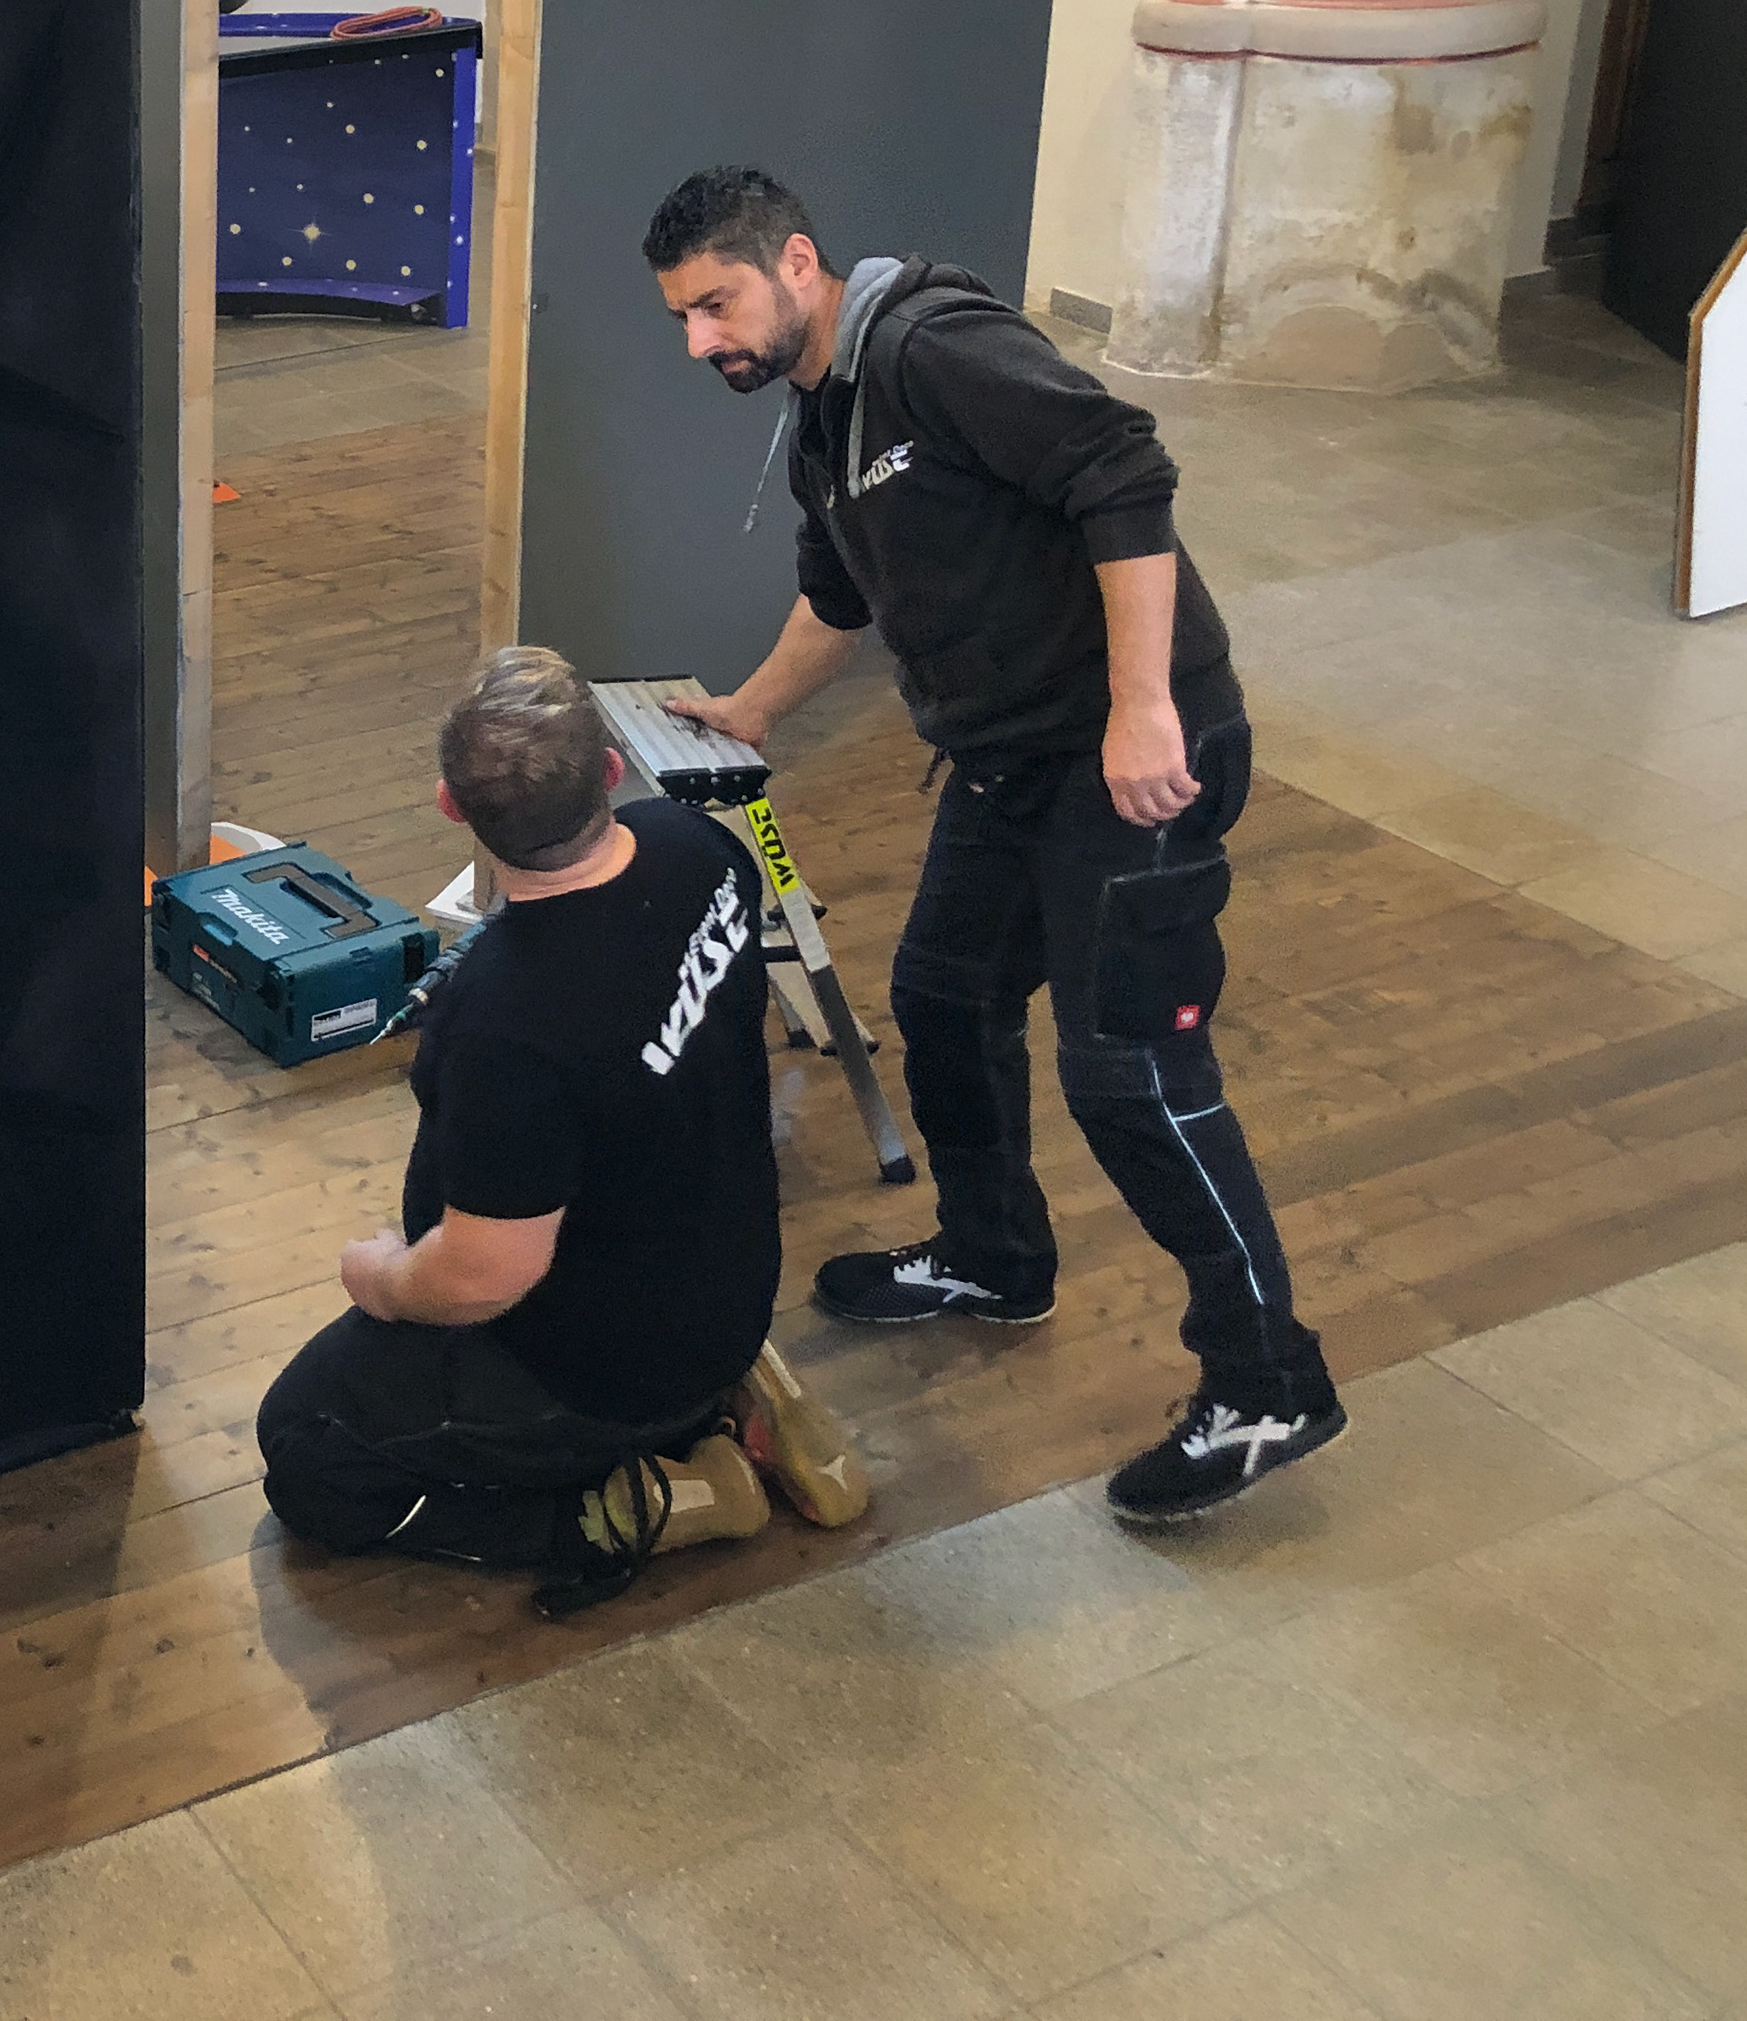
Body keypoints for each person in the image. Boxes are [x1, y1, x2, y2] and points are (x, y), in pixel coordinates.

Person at [646, 166, 1344, 1520]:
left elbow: (1124, 470)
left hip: (1131, 758)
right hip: (1010, 761)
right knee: (944, 998)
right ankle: (995, 1256)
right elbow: (839, 598)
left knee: (1132, 1076)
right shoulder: (823, 417)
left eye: (716, 304)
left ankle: (1269, 1381)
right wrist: (749, 712)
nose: (699, 341)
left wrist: (1143, 707)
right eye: (682, 317)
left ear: (797, 265)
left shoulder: (934, 349)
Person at [255, 645, 870, 1618]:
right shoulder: (698, 849)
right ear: (613, 772)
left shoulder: (503, 1022)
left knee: (304, 1452)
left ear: (451, 807)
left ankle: (646, 1503)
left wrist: (385, 1279)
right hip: (729, 1283)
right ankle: (741, 1386)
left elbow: (485, 1277)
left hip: (596, 1369)